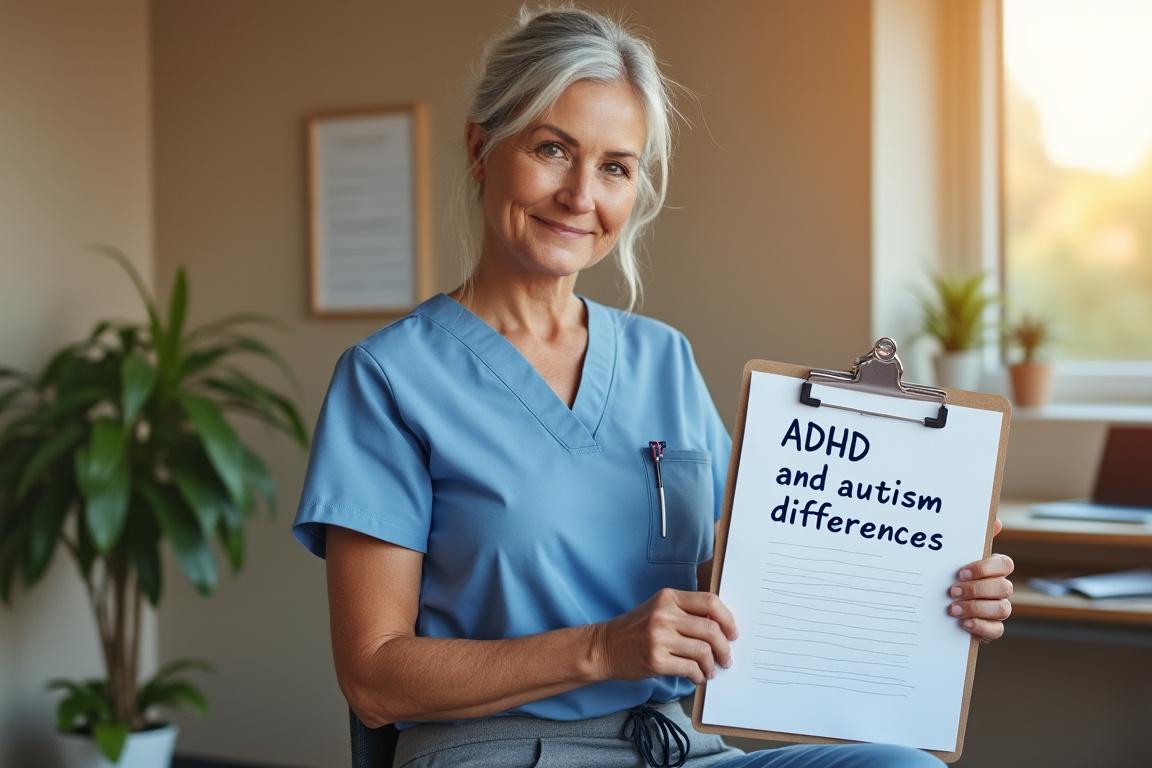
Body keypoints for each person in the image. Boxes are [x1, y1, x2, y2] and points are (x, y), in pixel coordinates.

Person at [292, 6, 1014, 767]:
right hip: (503, 751)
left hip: (680, 746)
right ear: (480, 147)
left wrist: (926, 578)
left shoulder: (662, 359)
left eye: (614, 166)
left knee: (899, 765)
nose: (580, 195)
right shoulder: (391, 379)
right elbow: (373, 676)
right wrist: (604, 648)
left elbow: (755, 577)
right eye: (551, 149)